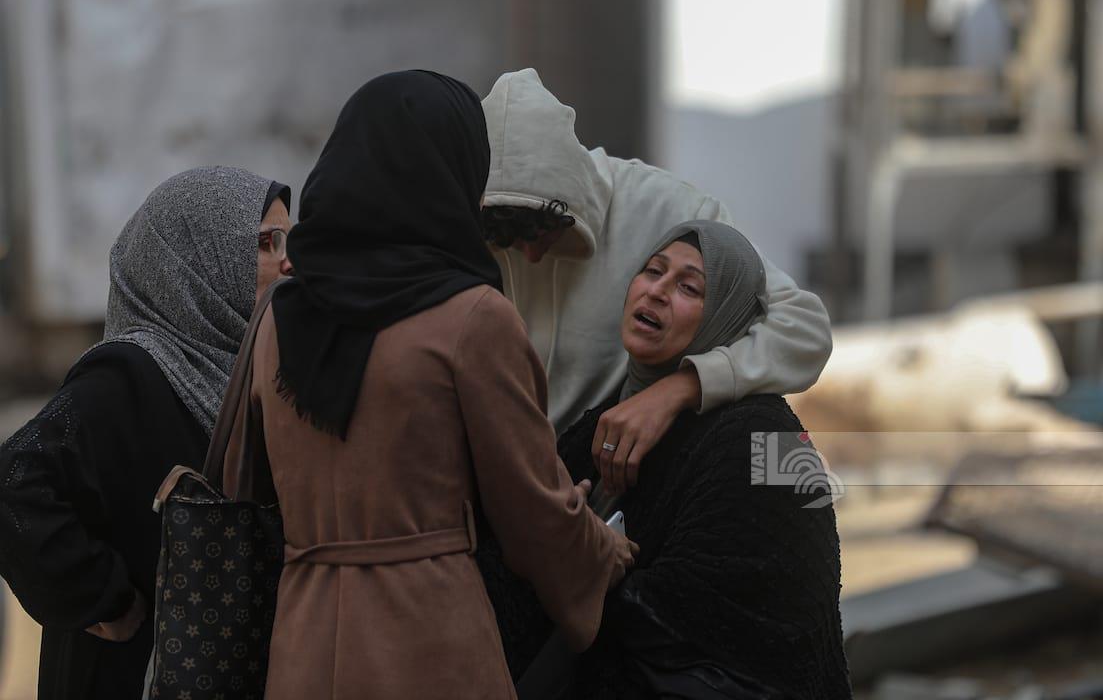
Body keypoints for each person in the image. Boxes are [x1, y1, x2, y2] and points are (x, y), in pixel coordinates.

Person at [252, 70, 635, 700]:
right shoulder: (472, 317)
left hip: (302, 641)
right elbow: (533, 512)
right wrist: (604, 552)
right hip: (427, 642)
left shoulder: (279, 319)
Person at [481, 220, 851, 699]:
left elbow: (768, 607)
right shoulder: (604, 419)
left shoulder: (771, 435)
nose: (656, 291)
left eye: (688, 288)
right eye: (653, 271)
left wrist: (592, 564)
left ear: (727, 314)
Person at [0, 167, 292, 700]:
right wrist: (104, 598)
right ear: (200, 259)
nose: (287, 261)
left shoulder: (247, 375)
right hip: (128, 676)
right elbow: (14, 480)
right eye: (266, 242)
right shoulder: (128, 375)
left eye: (287, 241)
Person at [480, 68, 833, 495]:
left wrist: (684, 387)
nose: (531, 257)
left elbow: (805, 328)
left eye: (688, 286)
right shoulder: (462, 223)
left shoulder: (666, 209)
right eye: (507, 241)